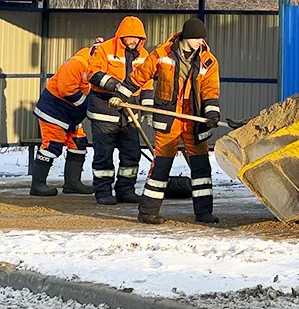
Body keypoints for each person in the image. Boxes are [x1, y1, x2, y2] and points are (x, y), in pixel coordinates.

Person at [118, 18, 221, 225]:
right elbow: (140, 75)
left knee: (201, 168)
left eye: (202, 38)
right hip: (169, 116)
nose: (201, 41)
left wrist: (211, 113)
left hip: (195, 119)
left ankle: (203, 213)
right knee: (161, 166)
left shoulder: (209, 61)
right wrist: (121, 95)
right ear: (186, 37)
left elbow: (210, 90)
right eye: (197, 38)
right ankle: (148, 212)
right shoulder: (162, 54)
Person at [86, 16, 153, 205]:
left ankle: (126, 190)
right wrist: (117, 86)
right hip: (104, 109)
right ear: (121, 36)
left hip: (130, 112)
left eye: (137, 37)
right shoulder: (104, 49)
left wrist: (146, 108)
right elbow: (93, 73)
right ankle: (103, 192)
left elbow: (146, 83)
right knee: (103, 155)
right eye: (129, 37)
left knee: (131, 153)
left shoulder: (144, 55)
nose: (133, 41)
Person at [29, 40, 104, 197]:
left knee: (79, 144)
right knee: (52, 145)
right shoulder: (77, 63)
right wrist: (88, 106)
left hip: (72, 116)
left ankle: (72, 183)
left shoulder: (98, 65)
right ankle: (37, 185)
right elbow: (66, 90)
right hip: (53, 112)